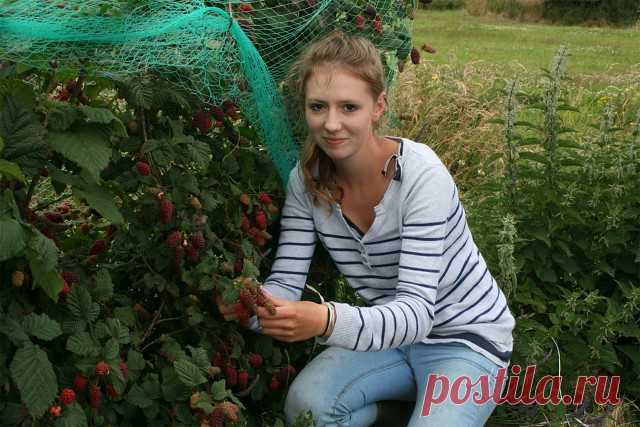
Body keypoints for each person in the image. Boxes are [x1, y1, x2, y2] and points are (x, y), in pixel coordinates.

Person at [216, 30, 515, 426]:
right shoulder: (305, 183)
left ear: (378, 107)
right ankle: (393, 413)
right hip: (388, 339)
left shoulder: (421, 176)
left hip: (466, 341)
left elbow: (417, 314)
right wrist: (250, 305)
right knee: (307, 408)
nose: (332, 124)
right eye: (318, 107)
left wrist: (324, 320)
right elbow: (285, 284)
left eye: (349, 107)